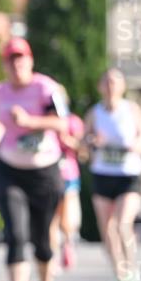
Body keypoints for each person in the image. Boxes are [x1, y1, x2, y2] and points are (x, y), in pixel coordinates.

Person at [0, 38, 67, 281]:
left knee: (42, 241)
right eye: (10, 60)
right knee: (16, 234)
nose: (16, 65)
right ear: (5, 65)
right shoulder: (0, 91)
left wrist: (30, 122)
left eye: (21, 59)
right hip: (11, 169)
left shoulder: (46, 88)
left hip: (44, 171)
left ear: (30, 61)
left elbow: (61, 123)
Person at [84, 68, 141, 281]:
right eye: (107, 82)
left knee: (123, 224)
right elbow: (84, 143)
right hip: (103, 173)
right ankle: (119, 273)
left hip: (128, 174)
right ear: (101, 86)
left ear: (122, 86)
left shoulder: (131, 109)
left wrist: (136, 145)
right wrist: (92, 141)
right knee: (108, 229)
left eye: (115, 82)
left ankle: (133, 271)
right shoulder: (95, 112)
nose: (111, 86)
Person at [50, 95, 85, 271]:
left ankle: (68, 243)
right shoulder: (46, 121)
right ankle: (53, 256)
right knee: (52, 217)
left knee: (67, 216)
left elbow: (83, 149)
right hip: (49, 173)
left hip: (69, 173)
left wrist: (67, 140)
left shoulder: (73, 121)